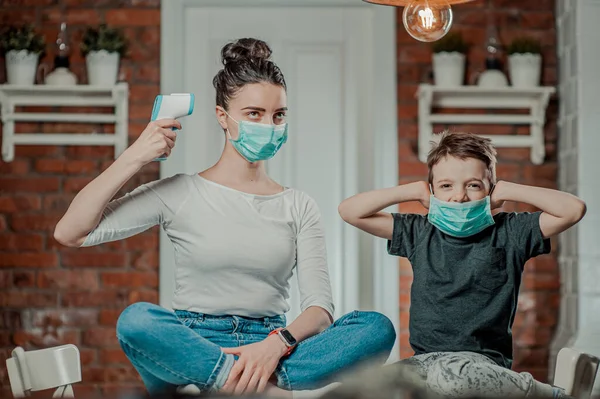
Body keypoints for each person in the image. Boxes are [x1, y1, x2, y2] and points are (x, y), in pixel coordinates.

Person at [53, 38, 396, 397]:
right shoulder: (179, 192)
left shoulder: (298, 205)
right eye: (254, 114)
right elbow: (70, 232)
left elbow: (320, 310)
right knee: (137, 320)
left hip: (273, 346)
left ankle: (239, 379)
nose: (269, 124)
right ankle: (240, 381)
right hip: (193, 343)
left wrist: (274, 346)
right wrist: (135, 157)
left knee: (375, 328)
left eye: (278, 115)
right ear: (223, 117)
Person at [338, 131, 587, 398]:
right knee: (361, 389)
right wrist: (411, 191)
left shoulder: (511, 232)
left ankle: (547, 394)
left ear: (489, 190)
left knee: (452, 377)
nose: (459, 197)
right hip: (424, 362)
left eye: (473, 185)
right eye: (446, 186)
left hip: (480, 366)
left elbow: (573, 209)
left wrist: (508, 190)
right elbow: (349, 211)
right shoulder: (420, 231)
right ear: (432, 191)